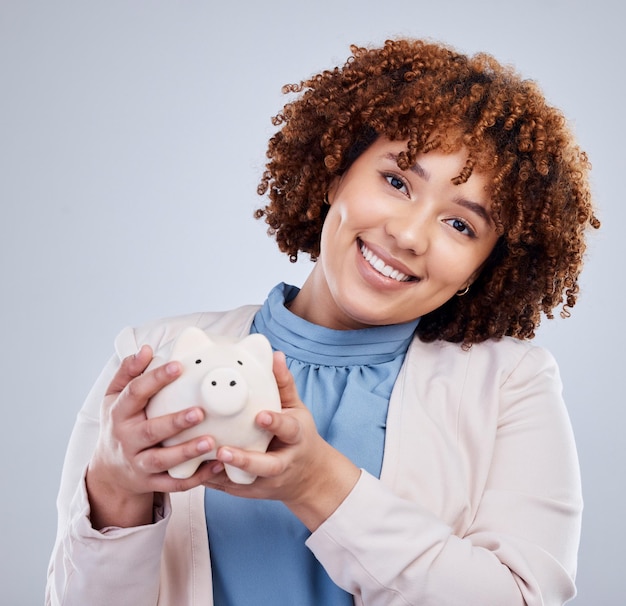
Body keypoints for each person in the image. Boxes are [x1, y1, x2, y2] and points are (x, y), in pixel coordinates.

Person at [46, 38, 599, 606]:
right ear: (336, 173)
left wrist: (317, 484)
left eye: (461, 225)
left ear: (484, 267)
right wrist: (114, 486)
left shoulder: (511, 385)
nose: (409, 236)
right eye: (397, 182)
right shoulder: (154, 354)